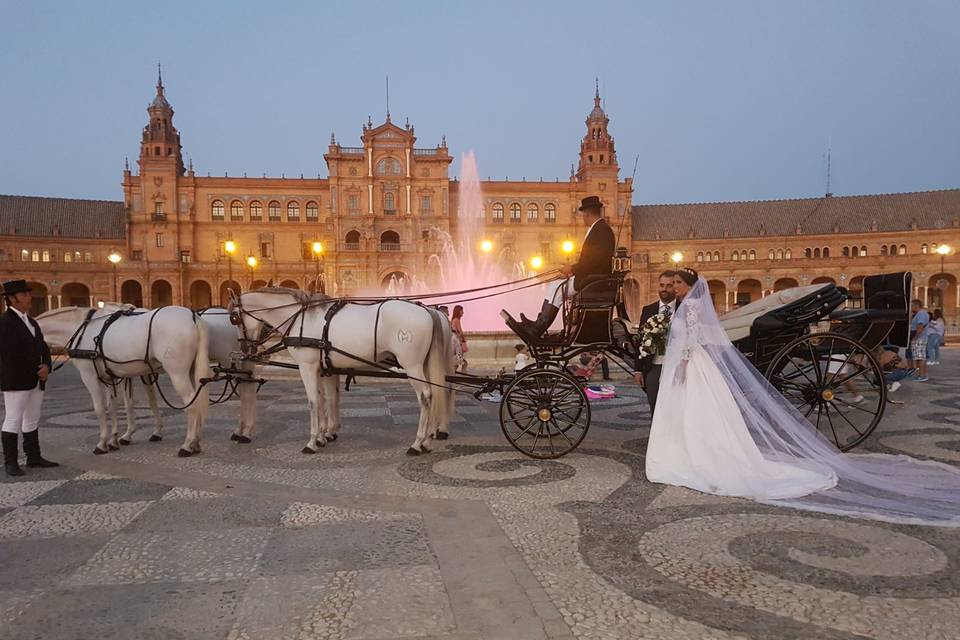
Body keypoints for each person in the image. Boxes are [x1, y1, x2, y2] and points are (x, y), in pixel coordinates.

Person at [645, 267, 960, 526]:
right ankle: (697, 448)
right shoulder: (691, 305)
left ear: (687, 285)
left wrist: (683, 366)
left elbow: (689, 343)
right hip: (698, 365)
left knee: (695, 411)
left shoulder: (691, 307)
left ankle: (696, 454)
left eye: (675, 283)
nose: (671, 287)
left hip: (692, 365)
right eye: (669, 283)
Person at [502, 196, 616, 342]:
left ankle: (538, 327)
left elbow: (593, 260)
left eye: (583, 215)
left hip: (592, 281)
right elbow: (591, 260)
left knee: (556, 289)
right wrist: (571, 270)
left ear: (588, 213)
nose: (582, 219)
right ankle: (538, 324)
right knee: (554, 285)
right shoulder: (600, 229)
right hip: (590, 278)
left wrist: (572, 269)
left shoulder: (601, 231)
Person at [0, 280, 58, 476]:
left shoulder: (32, 322)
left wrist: (46, 366)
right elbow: (9, 354)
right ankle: (11, 462)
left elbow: (43, 347)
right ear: (12, 299)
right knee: (13, 419)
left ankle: (33, 457)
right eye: (24, 294)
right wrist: (36, 368)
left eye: (28, 294)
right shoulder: (5, 323)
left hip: (36, 379)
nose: (29, 297)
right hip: (16, 379)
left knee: (32, 418)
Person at [631, 270, 677, 416]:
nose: (664, 289)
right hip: (653, 367)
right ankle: (657, 438)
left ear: (675, 287)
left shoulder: (684, 308)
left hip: (676, 368)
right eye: (662, 285)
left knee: (675, 407)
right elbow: (640, 340)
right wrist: (638, 369)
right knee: (655, 407)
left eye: (669, 286)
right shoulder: (648, 310)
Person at [908, 299, 930, 381]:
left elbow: (920, 326)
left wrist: (915, 337)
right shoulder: (922, 313)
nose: (911, 307)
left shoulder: (921, 314)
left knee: (920, 358)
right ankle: (922, 374)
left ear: (916, 305)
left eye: (912, 305)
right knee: (920, 357)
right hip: (921, 338)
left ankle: (921, 375)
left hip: (919, 339)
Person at [451, 305, 468, 372]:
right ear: (459, 311)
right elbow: (460, 332)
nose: (463, 312)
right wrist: (464, 339)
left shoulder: (453, 320)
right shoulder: (457, 320)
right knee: (461, 362)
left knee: (457, 361)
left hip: (453, 339)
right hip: (456, 340)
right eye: (462, 311)